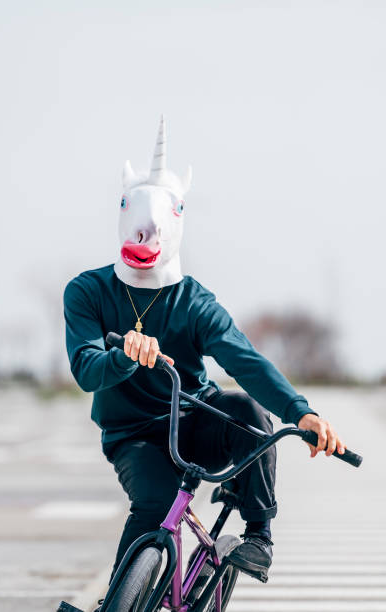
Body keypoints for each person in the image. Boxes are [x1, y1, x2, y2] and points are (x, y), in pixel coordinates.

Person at [63, 116, 345, 600]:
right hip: (134, 437)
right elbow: (87, 369)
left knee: (245, 411)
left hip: (195, 420)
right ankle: (116, 601)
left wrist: (302, 412)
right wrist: (126, 359)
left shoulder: (194, 303)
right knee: (152, 505)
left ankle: (258, 535)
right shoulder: (87, 291)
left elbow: (246, 362)